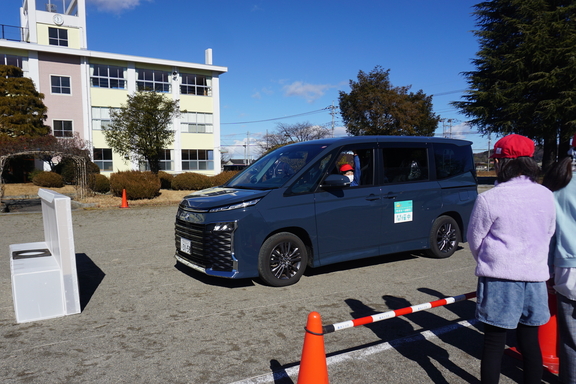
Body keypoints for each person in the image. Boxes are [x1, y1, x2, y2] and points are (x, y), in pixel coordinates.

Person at [467, 134, 556, 384]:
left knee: (494, 343)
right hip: (535, 278)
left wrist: (489, 261)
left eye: (496, 160)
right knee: (530, 342)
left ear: (504, 163)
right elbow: (548, 233)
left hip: (499, 278)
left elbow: (475, 240)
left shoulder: (489, 198)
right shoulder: (545, 195)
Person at [544, 134, 576, 384]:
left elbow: (549, 232)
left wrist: (548, 272)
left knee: (570, 341)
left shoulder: (559, 178)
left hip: (567, 270)